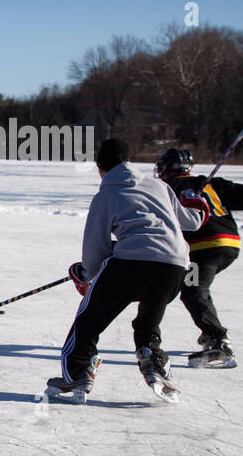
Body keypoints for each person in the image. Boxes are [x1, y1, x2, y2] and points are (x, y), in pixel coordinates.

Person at [46, 138, 208, 401]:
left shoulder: (106, 195)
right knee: (147, 321)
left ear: (101, 168)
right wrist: (197, 200)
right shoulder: (160, 186)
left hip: (130, 265)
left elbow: (95, 248)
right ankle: (152, 358)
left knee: (88, 322)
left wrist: (88, 274)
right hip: (176, 266)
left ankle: (78, 371)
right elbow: (191, 222)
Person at [155, 147, 242, 368]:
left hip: (202, 249)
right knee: (197, 288)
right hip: (229, 245)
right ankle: (210, 331)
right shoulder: (210, 183)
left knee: (193, 290)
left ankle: (218, 340)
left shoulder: (167, 189)